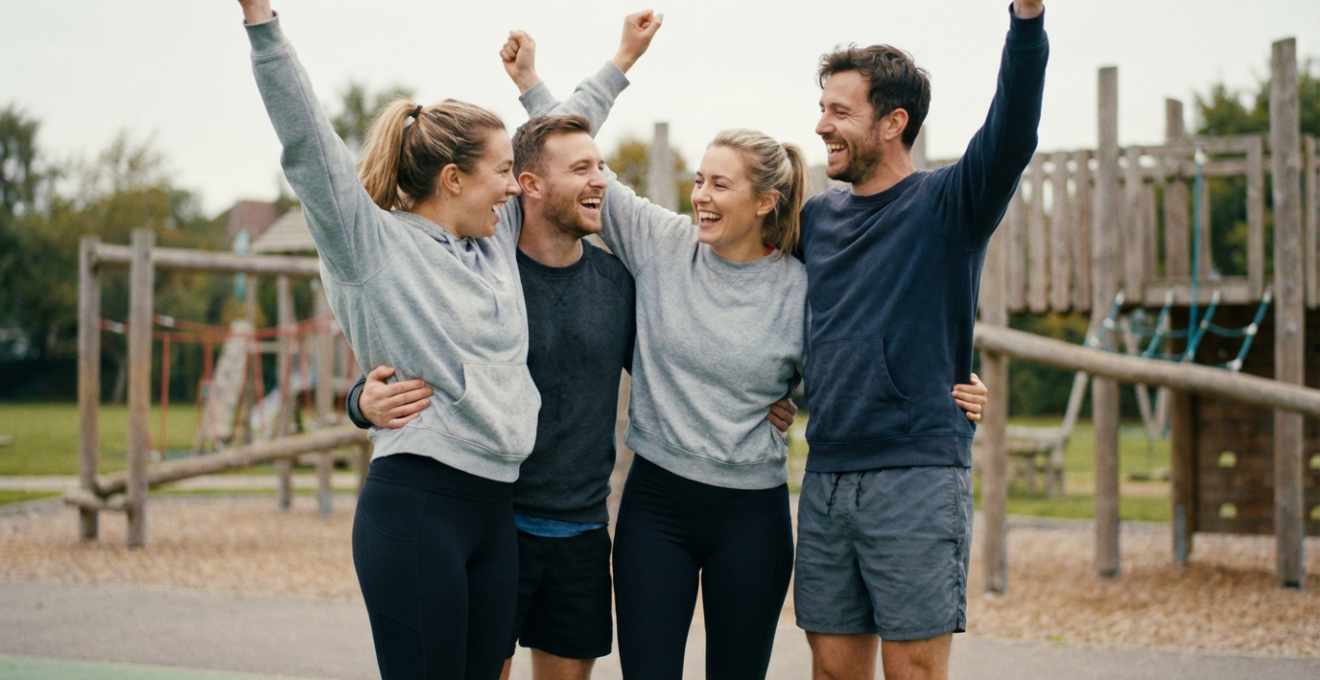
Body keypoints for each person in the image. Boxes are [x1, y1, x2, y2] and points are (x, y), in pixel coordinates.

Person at [508, 37, 989, 680]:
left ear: (764, 202)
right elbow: (570, 158)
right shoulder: (660, 242)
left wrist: (947, 386)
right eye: (698, 181)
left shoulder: (801, 283)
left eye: (719, 185)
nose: (700, 196)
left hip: (752, 515)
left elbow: (864, 351)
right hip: (656, 503)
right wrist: (538, 84)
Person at [350, 27, 801, 680]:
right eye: (697, 181)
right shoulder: (491, 261)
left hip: (584, 532)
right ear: (523, 186)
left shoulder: (619, 284)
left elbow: (694, 358)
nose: (601, 183)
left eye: (718, 184)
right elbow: (544, 148)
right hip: (495, 516)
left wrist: (768, 396)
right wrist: (359, 399)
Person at [230, 2, 657, 678]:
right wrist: (262, 23)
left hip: (495, 509)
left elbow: (556, 151)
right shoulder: (371, 246)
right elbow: (308, 143)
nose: (512, 186)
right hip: (419, 504)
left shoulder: (489, 244)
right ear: (454, 179)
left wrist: (620, 63)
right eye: (499, 173)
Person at [792, 2, 1049, 680]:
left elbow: (1013, 132)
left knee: (915, 673)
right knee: (831, 672)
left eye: (840, 111)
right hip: (824, 475)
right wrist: (769, 390)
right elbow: (753, 301)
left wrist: (1027, 22)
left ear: (893, 122)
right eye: (821, 108)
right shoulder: (815, 217)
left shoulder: (948, 206)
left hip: (914, 475)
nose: (822, 125)